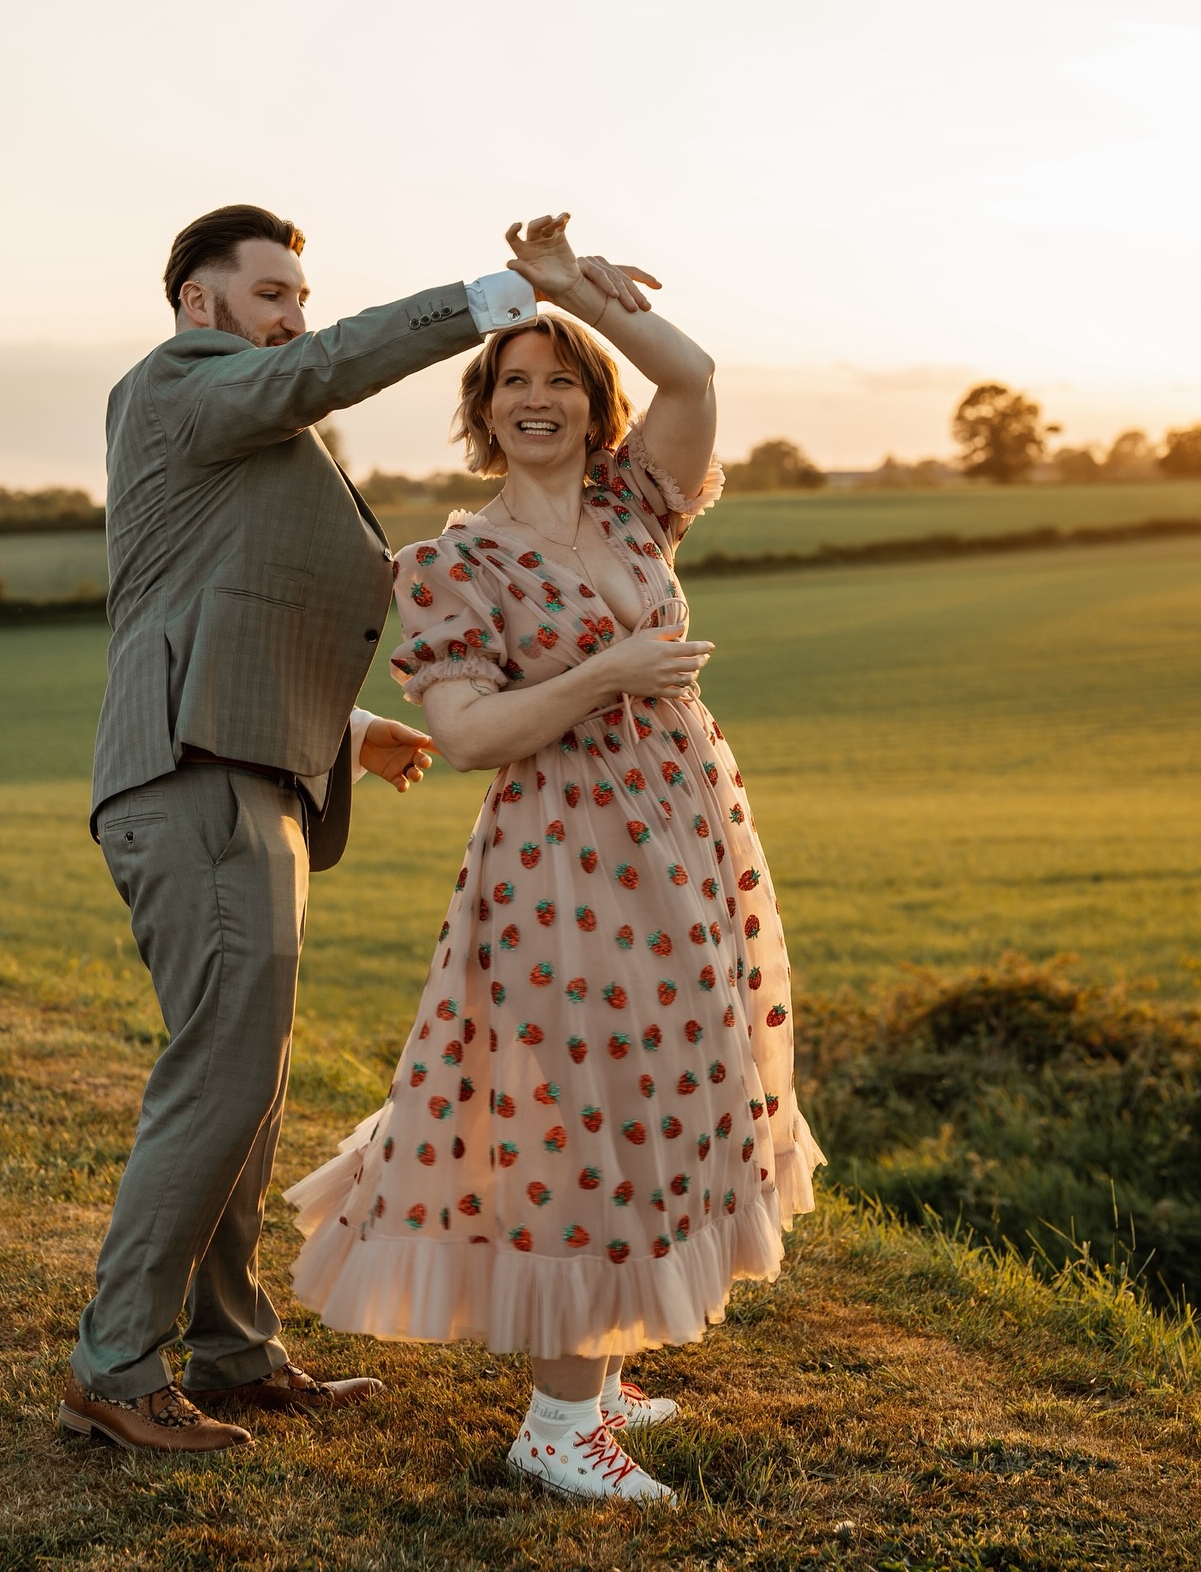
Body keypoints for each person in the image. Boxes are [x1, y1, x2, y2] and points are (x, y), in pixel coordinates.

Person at [60, 204, 652, 1454]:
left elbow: (230, 604)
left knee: (245, 1079)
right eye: (270, 294)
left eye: (300, 297)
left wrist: (352, 724)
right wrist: (501, 296)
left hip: (245, 771)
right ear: (199, 303)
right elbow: (319, 372)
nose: (295, 318)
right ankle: (116, 1365)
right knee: (223, 1075)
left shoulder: (236, 435)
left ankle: (230, 1350)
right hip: (198, 780)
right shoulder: (181, 384)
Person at [285, 215, 824, 1503]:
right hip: (566, 858)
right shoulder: (450, 564)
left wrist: (573, 288)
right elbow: (470, 735)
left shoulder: (638, 507)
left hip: (688, 834)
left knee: (671, 1083)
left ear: (594, 408)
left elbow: (692, 374)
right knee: (586, 1108)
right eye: (513, 381)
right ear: (483, 413)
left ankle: (599, 1363)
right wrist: (609, 673)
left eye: (562, 380)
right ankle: (556, 1423)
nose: (538, 397)